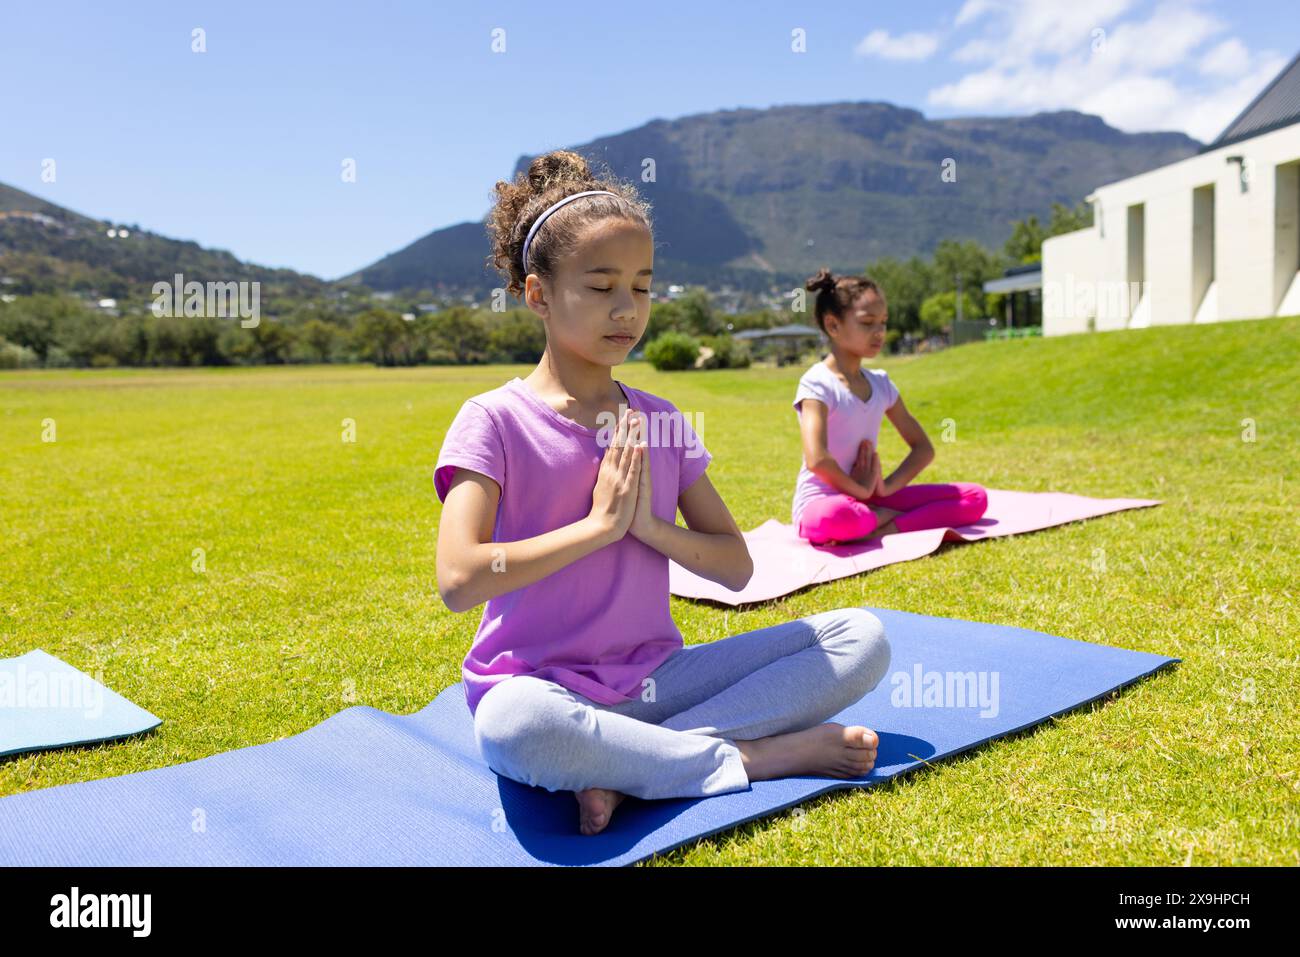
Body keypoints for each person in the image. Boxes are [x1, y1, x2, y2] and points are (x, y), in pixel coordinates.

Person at [433, 151, 892, 835]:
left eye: (642, 287)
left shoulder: (661, 420)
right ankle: (753, 757)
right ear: (537, 294)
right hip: (544, 693)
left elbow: (734, 565)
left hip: (657, 684)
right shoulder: (492, 420)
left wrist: (648, 527)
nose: (627, 309)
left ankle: (627, 768)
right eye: (601, 286)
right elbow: (460, 577)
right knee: (513, 724)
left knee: (862, 637)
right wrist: (596, 528)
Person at [791, 269, 989, 547]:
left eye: (883, 322)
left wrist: (885, 487)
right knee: (837, 517)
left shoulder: (881, 384)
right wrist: (858, 489)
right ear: (833, 325)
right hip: (824, 500)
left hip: (871, 495)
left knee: (973, 498)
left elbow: (923, 448)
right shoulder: (817, 383)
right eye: (867, 322)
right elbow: (817, 460)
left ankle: (884, 523)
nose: (879, 332)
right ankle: (881, 517)